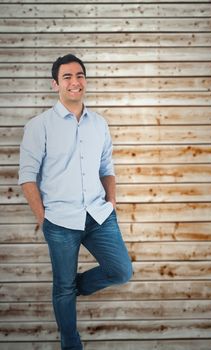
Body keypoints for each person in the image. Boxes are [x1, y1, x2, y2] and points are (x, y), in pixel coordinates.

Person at [18, 53, 133, 350]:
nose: (75, 81)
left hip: (98, 215)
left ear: (85, 81)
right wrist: (44, 220)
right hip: (60, 221)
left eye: (79, 75)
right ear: (55, 84)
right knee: (62, 286)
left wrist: (111, 200)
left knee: (120, 271)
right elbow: (27, 177)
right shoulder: (39, 126)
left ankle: (71, 288)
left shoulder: (99, 124)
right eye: (67, 77)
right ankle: (72, 345)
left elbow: (107, 167)